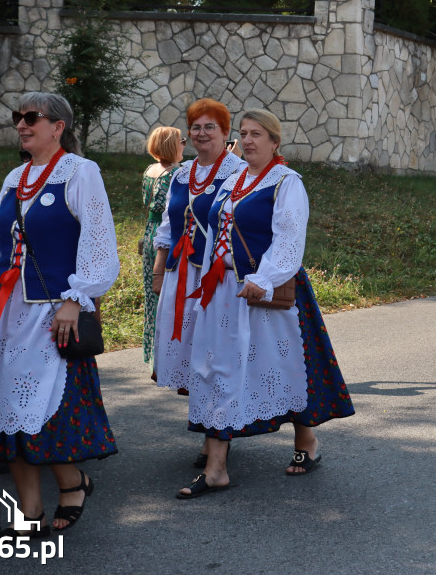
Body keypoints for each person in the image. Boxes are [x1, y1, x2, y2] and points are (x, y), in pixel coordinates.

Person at [0, 92, 120, 535]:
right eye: (18, 118)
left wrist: (75, 298)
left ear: (58, 126)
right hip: (3, 311)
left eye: (32, 118)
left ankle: (71, 484)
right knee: (1, 406)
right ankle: (29, 508)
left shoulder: (80, 173)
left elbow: (100, 242)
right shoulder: (15, 177)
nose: (22, 124)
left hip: (49, 312)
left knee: (44, 405)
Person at [176, 108, 354, 498]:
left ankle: (306, 442)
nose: (249, 140)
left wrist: (263, 278)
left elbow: (289, 237)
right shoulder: (232, 180)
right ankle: (216, 469)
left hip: (267, 292)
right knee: (220, 371)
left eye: (258, 134)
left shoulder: (286, 182)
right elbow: (211, 236)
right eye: (244, 134)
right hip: (222, 292)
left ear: (275, 142)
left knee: (286, 369)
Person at [152, 99, 244, 464]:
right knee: (192, 355)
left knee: (212, 355)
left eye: (210, 127)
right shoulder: (181, 173)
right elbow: (166, 225)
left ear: (225, 133)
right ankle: (209, 432)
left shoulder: (237, 172)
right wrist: (159, 272)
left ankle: (215, 439)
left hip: (215, 278)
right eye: (196, 127)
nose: (202, 134)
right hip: (180, 275)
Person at [141, 126, 184, 366]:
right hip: (166, 237)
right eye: (181, 141)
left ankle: (151, 354)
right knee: (168, 296)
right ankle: (167, 358)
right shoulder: (175, 174)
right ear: (171, 145)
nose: (184, 146)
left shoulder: (150, 170)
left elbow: (147, 204)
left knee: (151, 296)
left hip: (149, 232)